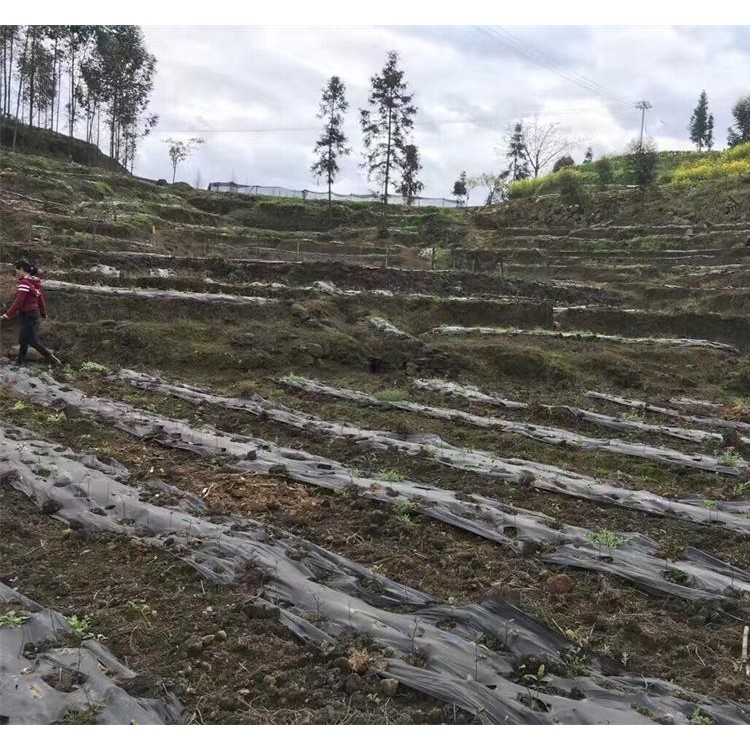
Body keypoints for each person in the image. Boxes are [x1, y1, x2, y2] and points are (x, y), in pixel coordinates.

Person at [1, 259, 61, 368]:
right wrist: (43, 313)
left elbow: (19, 302)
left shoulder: (24, 283)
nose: (15, 273)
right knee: (23, 339)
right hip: (33, 314)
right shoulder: (35, 282)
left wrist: (7, 314)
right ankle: (19, 363)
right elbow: (40, 298)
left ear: (22, 270)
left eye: (16, 270)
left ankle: (51, 358)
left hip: (27, 315)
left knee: (32, 340)